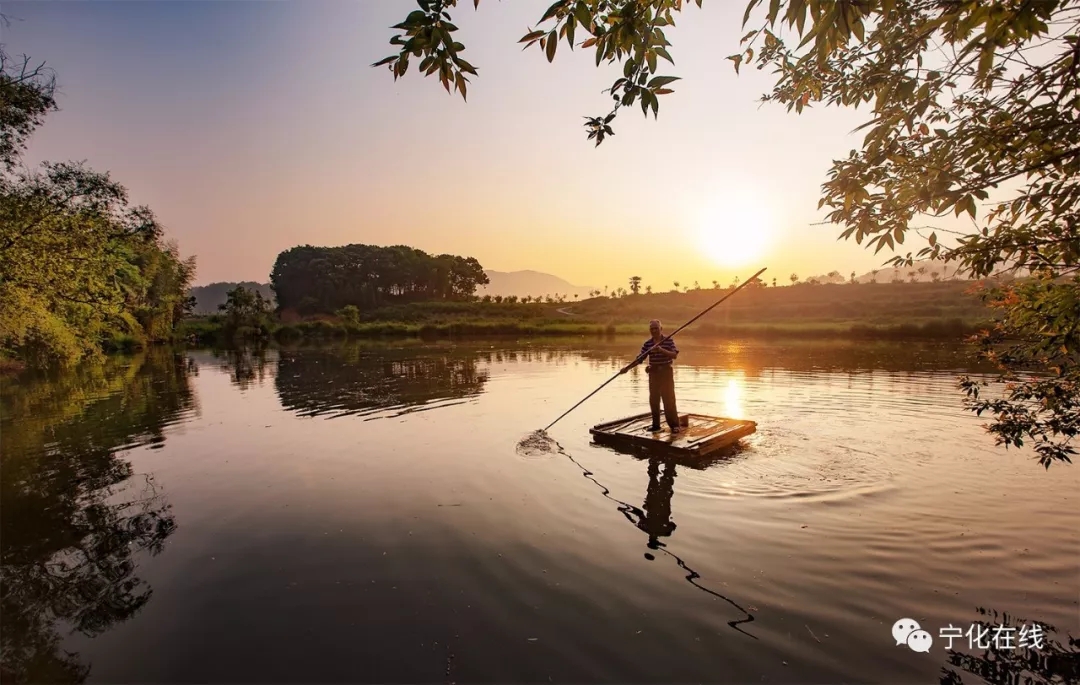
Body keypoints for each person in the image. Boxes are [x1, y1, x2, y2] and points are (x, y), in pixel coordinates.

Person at [620, 319, 680, 433]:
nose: (654, 330)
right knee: (654, 400)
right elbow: (639, 359)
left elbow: (674, 355)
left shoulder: (668, 340)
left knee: (669, 399)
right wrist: (627, 369)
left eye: (656, 328)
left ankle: (674, 425)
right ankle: (656, 425)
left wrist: (661, 350)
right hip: (654, 374)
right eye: (652, 329)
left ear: (660, 329)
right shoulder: (648, 344)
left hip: (666, 372)